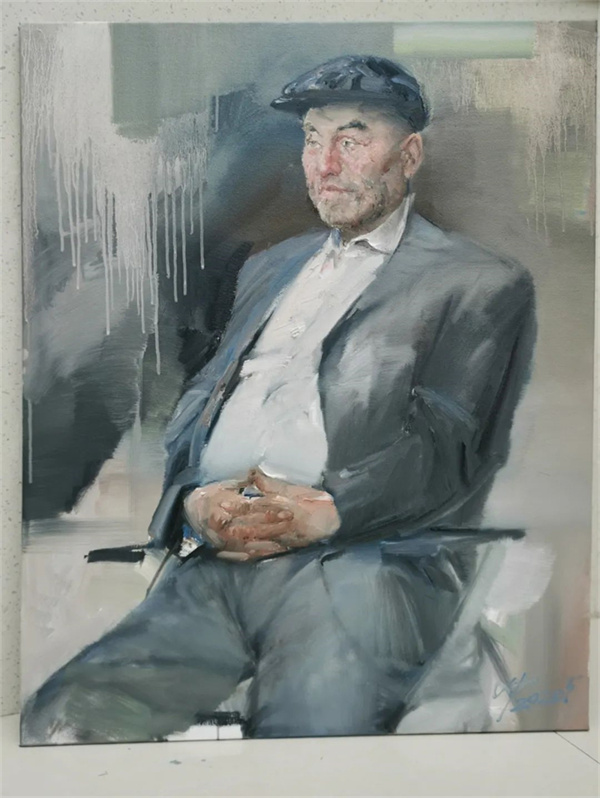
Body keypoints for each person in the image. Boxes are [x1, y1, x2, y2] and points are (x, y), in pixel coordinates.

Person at [22, 55, 536, 744]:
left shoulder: (477, 282)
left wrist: (323, 511)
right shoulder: (270, 268)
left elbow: (450, 448)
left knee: (303, 756)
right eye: (313, 139)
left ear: (410, 155)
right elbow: (199, 408)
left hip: (357, 573)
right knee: (58, 724)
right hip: (217, 563)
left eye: (352, 138)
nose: (326, 163)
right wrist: (191, 502)